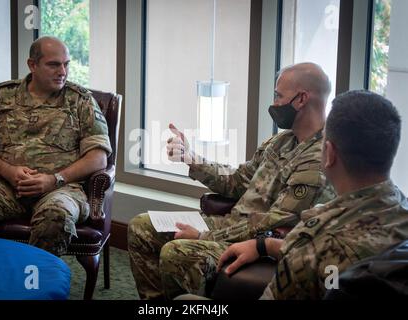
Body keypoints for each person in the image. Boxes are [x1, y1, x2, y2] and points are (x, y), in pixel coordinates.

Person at [128, 62, 336, 300]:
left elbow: (271, 225)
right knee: (141, 226)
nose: (274, 103)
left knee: (177, 252)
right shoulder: (281, 142)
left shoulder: (318, 159)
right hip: (231, 225)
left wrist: (203, 237)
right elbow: (238, 180)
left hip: (259, 245)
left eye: (279, 96)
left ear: (301, 99)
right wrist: (192, 159)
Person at [217, 90, 408, 299]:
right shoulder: (399, 212)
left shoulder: (314, 246)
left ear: (329, 153)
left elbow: (314, 257)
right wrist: (266, 245)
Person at [0, 36, 112, 256]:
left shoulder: (80, 101)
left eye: (66, 64)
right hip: (6, 186)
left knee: (56, 216)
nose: (63, 71)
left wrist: (54, 179)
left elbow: (98, 158)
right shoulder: (2, 97)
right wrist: (8, 172)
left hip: (61, 189)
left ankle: (34, 283)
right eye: (53, 64)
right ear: (32, 65)